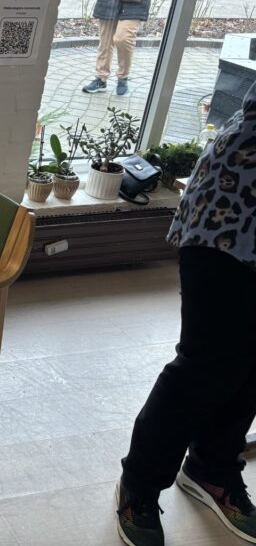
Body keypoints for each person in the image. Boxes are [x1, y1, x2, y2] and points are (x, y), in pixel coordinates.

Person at [115, 81, 256, 546]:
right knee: (207, 364)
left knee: (250, 363)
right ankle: (139, 484)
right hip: (234, 214)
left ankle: (212, 470)